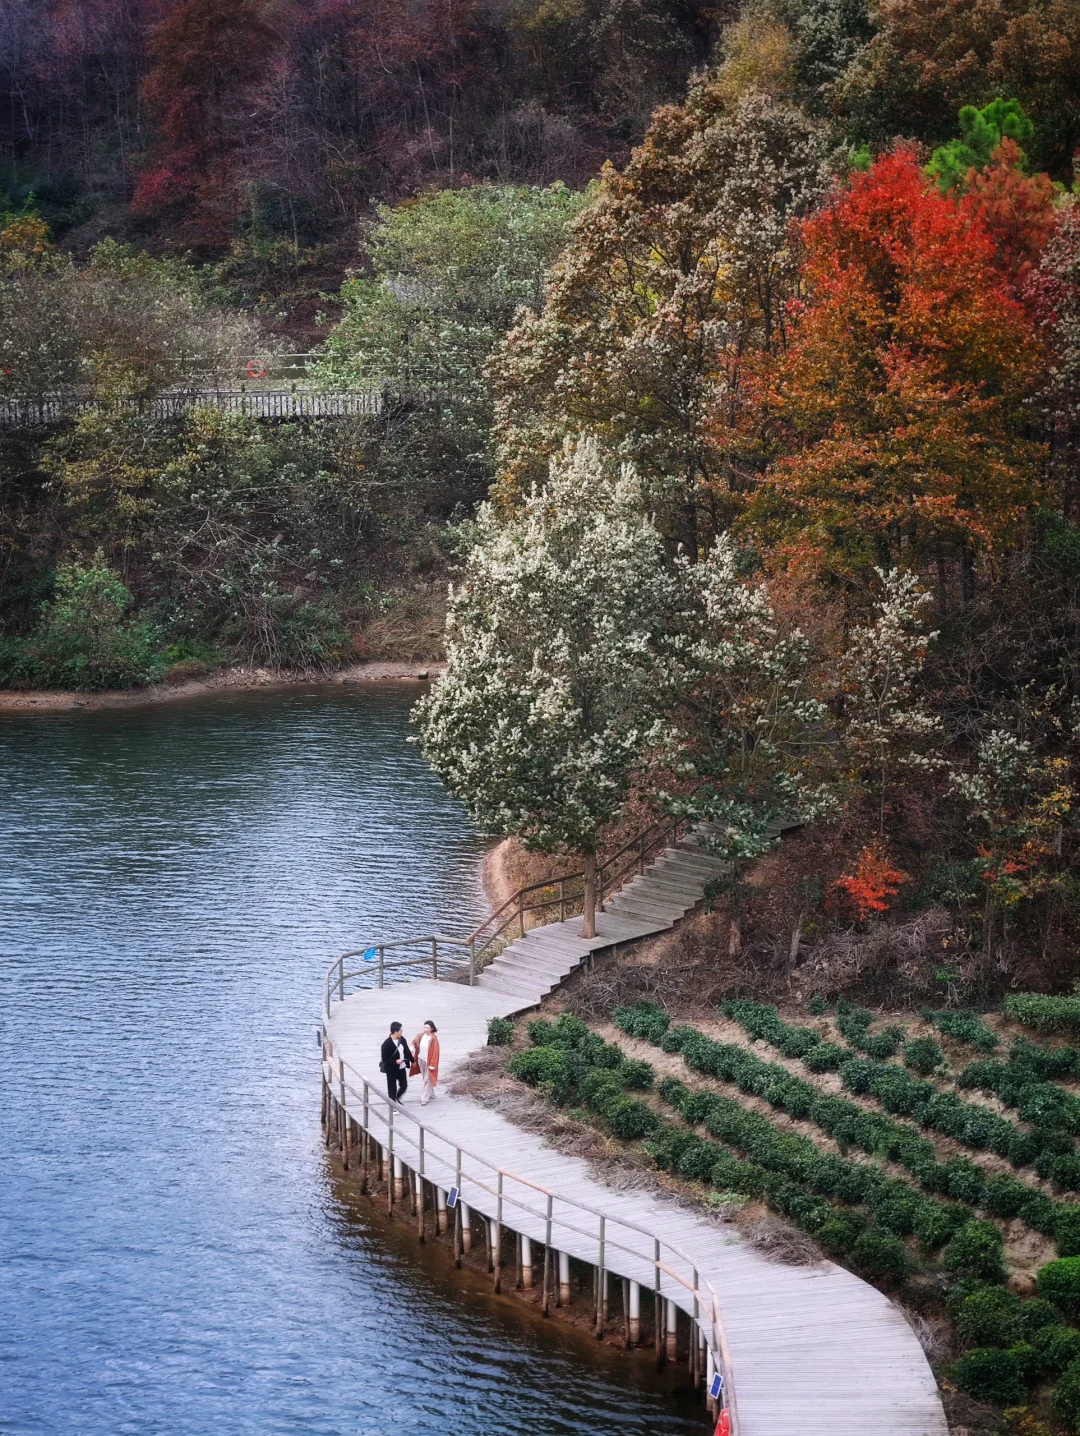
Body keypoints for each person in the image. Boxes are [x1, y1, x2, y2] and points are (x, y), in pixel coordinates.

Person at [379, 1022, 412, 1103]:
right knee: (392, 1087)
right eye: (401, 1030)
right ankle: (393, 1104)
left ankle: (398, 1097)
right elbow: (385, 1059)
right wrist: (395, 1061)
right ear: (396, 1032)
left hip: (402, 1067)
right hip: (391, 1069)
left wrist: (413, 1061)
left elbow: (407, 1051)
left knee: (404, 1085)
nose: (402, 1032)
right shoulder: (386, 1044)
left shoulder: (402, 1039)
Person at [409, 1021, 440, 1106]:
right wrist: (412, 1047)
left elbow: (435, 1052)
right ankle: (432, 1093)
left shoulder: (434, 1039)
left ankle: (424, 1098)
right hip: (420, 1059)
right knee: (426, 1078)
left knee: (428, 1079)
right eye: (425, 1027)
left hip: (429, 1062)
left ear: (432, 1028)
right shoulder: (420, 1035)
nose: (425, 1029)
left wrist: (433, 1064)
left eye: (427, 1028)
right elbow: (414, 1042)